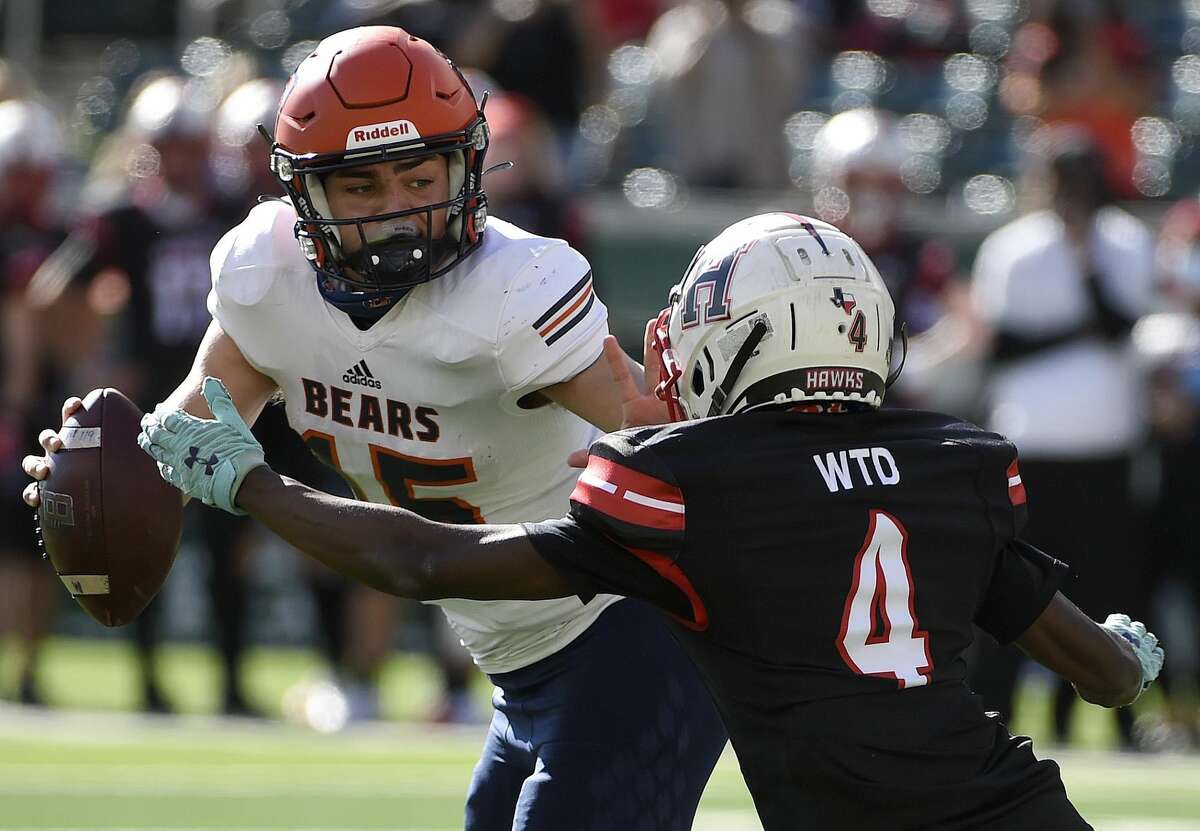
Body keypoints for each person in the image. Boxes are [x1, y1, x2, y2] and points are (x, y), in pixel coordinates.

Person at [95, 212, 1161, 830]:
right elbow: (1105, 676)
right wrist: (1122, 655)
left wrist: (253, 485)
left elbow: (426, 561)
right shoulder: (953, 466)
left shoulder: (694, 479)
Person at [23, 25, 725, 831]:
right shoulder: (266, 278)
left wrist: (664, 447)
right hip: (515, 659)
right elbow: (184, 445)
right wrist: (97, 477)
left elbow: (683, 459)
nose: (398, 212)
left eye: (419, 177)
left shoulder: (515, 293)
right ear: (305, 196)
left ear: (464, 168)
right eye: (362, 189)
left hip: (627, 629)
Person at [967, 129, 1153, 747]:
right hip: (1032, 447)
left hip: (1104, 447)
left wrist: (1083, 261)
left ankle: (1121, 718)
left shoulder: (1125, 241)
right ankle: (999, 715)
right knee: (1017, 587)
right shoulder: (1012, 249)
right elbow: (1003, 345)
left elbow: (1121, 326)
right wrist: (1080, 329)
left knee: (1110, 586)